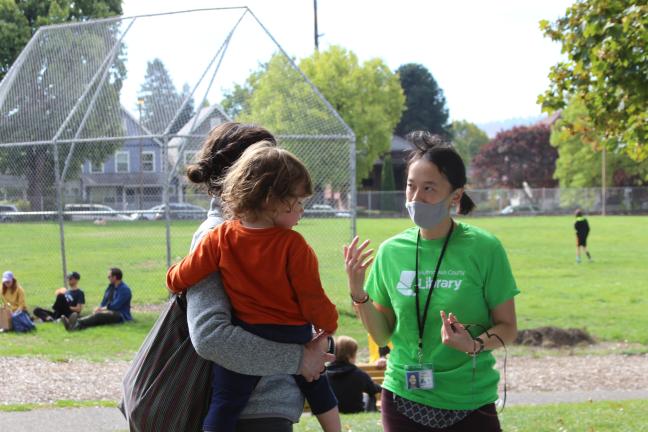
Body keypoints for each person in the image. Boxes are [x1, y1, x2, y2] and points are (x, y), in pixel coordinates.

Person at [344, 131, 519, 432]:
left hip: (470, 401)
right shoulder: (391, 252)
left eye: (428, 189)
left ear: (455, 195)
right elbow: (383, 335)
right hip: (403, 397)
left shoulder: (484, 248)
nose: (415, 198)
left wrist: (474, 344)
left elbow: (508, 327)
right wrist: (358, 292)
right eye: (411, 187)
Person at [167, 142, 340, 432]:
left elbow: (184, 275)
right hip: (292, 335)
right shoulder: (294, 246)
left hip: (247, 333)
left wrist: (172, 276)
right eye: (297, 202)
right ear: (271, 200)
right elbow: (311, 298)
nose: (301, 211)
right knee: (318, 384)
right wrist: (329, 323)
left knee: (224, 402)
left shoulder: (219, 238)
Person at [62, 267, 131, 331]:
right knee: (93, 315)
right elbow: (104, 302)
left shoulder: (124, 290)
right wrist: (99, 308)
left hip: (120, 315)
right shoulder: (110, 287)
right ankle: (72, 323)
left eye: (109, 276)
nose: (108, 278)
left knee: (98, 316)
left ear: (115, 277)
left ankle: (75, 324)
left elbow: (115, 305)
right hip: (108, 311)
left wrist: (102, 309)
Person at [326, 335, 381, 414]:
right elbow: (373, 389)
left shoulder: (325, 374)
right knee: (370, 396)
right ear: (350, 356)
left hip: (330, 412)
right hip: (355, 410)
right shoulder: (359, 374)